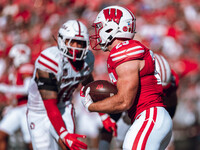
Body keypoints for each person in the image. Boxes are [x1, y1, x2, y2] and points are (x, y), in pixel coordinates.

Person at [82, 5, 173, 150]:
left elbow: (124, 101)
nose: (97, 33)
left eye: (100, 27)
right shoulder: (127, 49)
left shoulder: (125, 51)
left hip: (149, 116)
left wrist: (91, 106)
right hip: (149, 117)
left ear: (111, 28)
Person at [26, 20, 94, 150]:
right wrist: (63, 133)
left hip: (64, 107)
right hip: (39, 111)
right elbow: (50, 105)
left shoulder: (87, 60)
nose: (76, 47)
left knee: (71, 146)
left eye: (80, 43)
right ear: (62, 41)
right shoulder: (50, 60)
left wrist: (103, 115)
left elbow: (89, 85)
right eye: (71, 41)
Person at [0, 44, 34, 150]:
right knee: (1, 133)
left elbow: (26, 89)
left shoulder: (26, 67)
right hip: (18, 108)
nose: (12, 61)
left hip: (28, 108)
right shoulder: (17, 70)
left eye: (13, 58)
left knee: (31, 141)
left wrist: (6, 88)